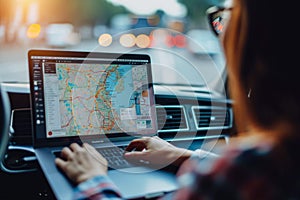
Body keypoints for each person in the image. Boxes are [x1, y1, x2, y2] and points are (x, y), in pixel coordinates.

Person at [55, 0, 300, 199]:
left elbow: (237, 173)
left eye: (227, 15)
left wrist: (92, 180)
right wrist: (180, 156)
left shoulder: (233, 173)